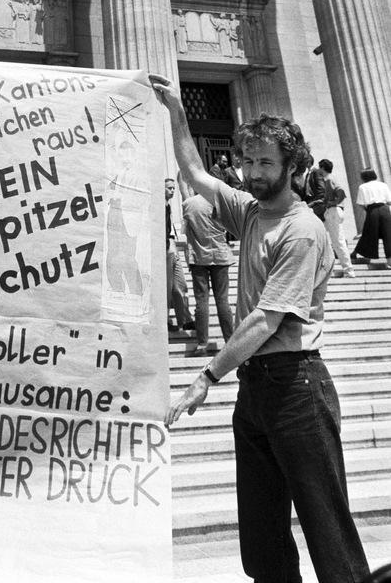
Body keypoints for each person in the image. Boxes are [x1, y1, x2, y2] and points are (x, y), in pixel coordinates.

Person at [150, 73, 369, 583]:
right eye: (248, 160)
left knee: (327, 530)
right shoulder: (249, 211)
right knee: (263, 536)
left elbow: (267, 320)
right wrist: (177, 112)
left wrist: (206, 376)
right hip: (257, 391)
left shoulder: (304, 230)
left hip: (298, 387)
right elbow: (195, 173)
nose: (252, 171)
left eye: (265, 162)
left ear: (294, 166)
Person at [182, 191, 235, 356]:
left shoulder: (188, 204)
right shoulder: (220, 203)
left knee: (201, 301)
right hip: (220, 254)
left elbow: (185, 231)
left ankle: (202, 344)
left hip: (199, 256)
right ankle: (230, 341)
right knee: (222, 301)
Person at [165, 177, 195, 334]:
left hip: (173, 245)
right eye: (169, 188)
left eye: (173, 188)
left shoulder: (168, 206)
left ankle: (185, 319)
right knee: (167, 287)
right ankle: (166, 320)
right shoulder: (159, 207)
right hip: (165, 247)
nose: (172, 191)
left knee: (180, 284)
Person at [318, 158, 355, 277]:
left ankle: (349, 270)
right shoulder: (331, 178)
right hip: (333, 211)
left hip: (333, 211)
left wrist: (333, 203)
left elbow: (341, 192)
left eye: (320, 167)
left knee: (338, 241)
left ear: (323, 168)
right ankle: (331, 268)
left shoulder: (329, 179)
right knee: (322, 236)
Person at [352, 168, 391, 268]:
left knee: (368, 233)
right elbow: (389, 201)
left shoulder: (363, 187)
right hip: (385, 209)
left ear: (364, 177)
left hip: (372, 210)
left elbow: (360, 203)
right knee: (388, 234)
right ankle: (390, 261)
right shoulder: (383, 185)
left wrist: (368, 210)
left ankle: (363, 255)